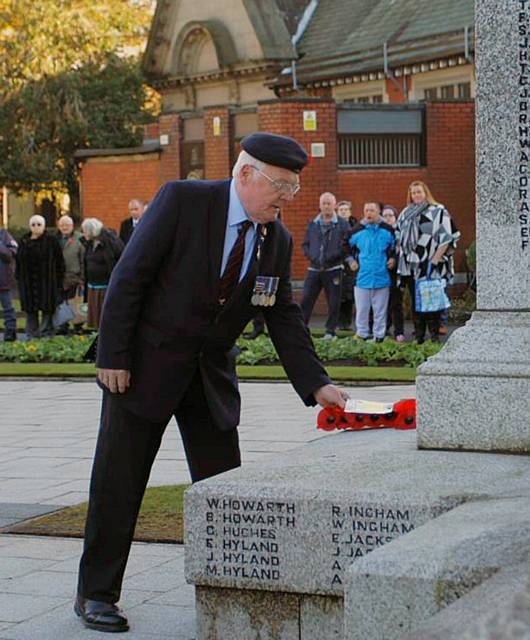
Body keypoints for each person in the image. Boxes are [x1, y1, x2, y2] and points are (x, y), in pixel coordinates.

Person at [75, 132, 348, 633]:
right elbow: (129, 277)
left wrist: (317, 385)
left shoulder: (277, 239)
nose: (286, 198)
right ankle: (96, 594)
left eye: (292, 189)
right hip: (143, 370)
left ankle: (231, 587)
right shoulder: (183, 200)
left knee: (225, 490)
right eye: (280, 186)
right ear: (245, 173)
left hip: (209, 379)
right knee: (119, 484)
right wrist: (112, 354)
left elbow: (282, 314)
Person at [396, 181, 460, 343]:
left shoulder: (438, 211)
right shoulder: (405, 212)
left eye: (419, 192)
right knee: (416, 302)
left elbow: (447, 236)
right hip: (410, 265)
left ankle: (434, 335)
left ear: (426, 193)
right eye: (413, 192)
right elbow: (398, 235)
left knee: (431, 301)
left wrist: (437, 258)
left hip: (430, 263)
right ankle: (419, 336)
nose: (416, 195)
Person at [300, 192, 352, 339]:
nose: (326, 206)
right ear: (320, 205)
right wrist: (312, 256)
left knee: (334, 302)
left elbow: (347, 245)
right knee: (306, 299)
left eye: (329, 203)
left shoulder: (342, 224)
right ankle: (302, 329)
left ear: (334, 205)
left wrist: (333, 256)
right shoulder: (313, 223)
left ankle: (330, 331)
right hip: (314, 269)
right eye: (324, 203)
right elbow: (305, 244)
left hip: (334, 269)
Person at [349, 202, 396, 342]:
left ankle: (379, 336)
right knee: (362, 310)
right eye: (366, 210)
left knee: (380, 310)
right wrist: (351, 261)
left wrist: (393, 258)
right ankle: (361, 334)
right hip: (362, 277)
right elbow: (345, 247)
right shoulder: (356, 230)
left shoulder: (388, 230)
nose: (369, 213)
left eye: (372, 210)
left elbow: (396, 247)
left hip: (382, 276)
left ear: (378, 212)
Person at [16, 215, 65, 339]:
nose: (36, 227)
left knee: (47, 310)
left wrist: (58, 281)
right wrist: (19, 278)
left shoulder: (51, 241)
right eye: (33, 224)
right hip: (28, 283)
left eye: (39, 224)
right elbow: (18, 261)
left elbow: (60, 262)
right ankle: (31, 335)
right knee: (30, 311)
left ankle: (45, 335)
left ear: (43, 226)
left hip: (47, 283)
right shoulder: (24, 241)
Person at [81, 218, 124, 330]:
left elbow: (120, 260)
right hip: (93, 284)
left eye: (85, 230)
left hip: (105, 284)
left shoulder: (111, 242)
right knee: (95, 315)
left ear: (91, 231)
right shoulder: (90, 243)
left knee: (105, 314)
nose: (83, 233)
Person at [56, 215, 85, 334]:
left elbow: (83, 259)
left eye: (67, 225)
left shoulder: (80, 238)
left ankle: (78, 326)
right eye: (62, 225)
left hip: (74, 277)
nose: (64, 227)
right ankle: (63, 325)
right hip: (59, 277)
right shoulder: (55, 239)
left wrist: (82, 278)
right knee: (61, 303)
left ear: (72, 226)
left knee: (75, 302)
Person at [381, 205, 405, 342]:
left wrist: (394, 259)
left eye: (390, 215)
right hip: (382, 271)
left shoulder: (400, 232)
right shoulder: (380, 231)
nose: (388, 218)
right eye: (385, 215)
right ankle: (385, 329)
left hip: (397, 272)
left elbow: (402, 249)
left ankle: (399, 331)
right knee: (383, 303)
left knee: (396, 302)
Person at [336, 201, 357, 330]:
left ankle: (347, 323)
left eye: (346, 209)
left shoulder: (356, 226)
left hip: (352, 264)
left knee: (350, 295)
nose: (343, 211)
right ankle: (339, 323)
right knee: (338, 295)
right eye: (341, 209)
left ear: (350, 212)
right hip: (337, 263)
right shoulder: (333, 225)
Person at [0, 226, 18, 341]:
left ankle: (10, 331)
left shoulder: (4, 235)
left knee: (8, 307)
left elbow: (11, 254)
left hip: (3, 279)